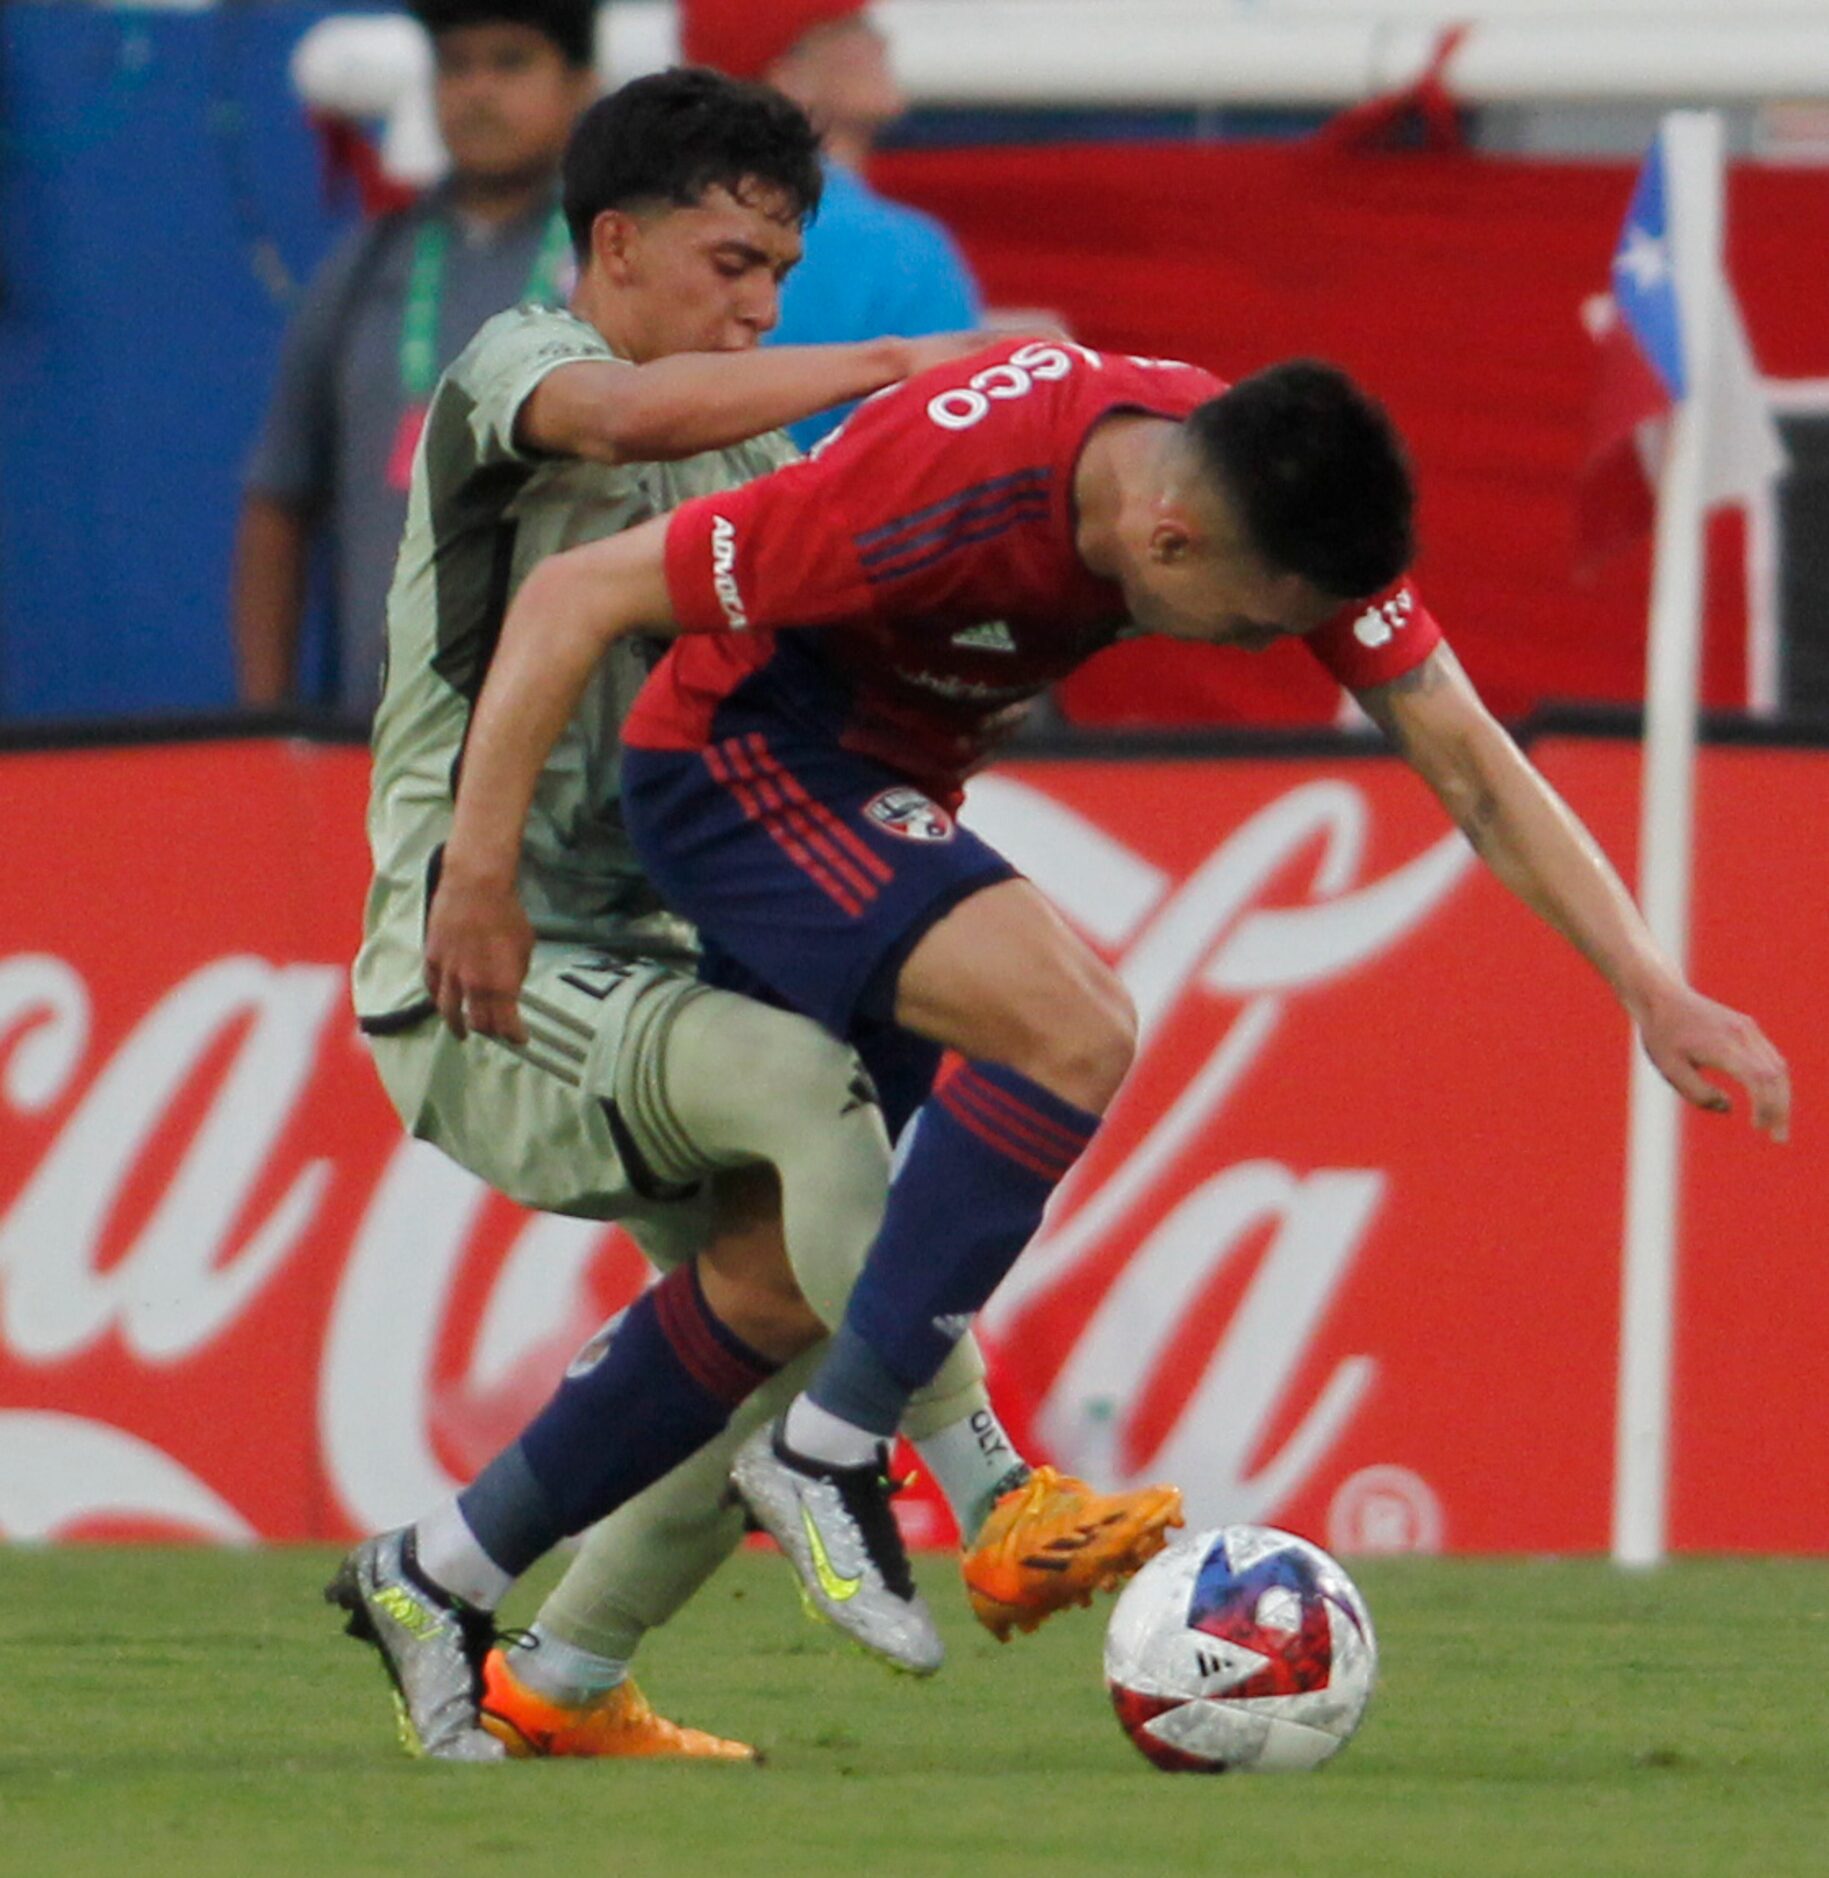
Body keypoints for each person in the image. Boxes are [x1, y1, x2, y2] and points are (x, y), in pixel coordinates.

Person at [425, 337, 1795, 1677]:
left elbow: (1474, 765)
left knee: (771, 1276)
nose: (1271, 648)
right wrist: (477, 879)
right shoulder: (927, 494)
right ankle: (845, 1455)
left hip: (883, 795)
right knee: (1072, 1021)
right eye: (1259, 619)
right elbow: (573, 597)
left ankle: (446, 1578)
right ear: (1169, 538)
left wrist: (1651, 985)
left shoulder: (1250, 479)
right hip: (735, 774)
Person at [329, 73, 1180, 1766]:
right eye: (730, 262)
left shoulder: (750, 453)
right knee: (813, 1095)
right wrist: (898, 367)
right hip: (482, 956)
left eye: (781, 275)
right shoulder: (512, 368)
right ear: (617, 244)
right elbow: (620, 426)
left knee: (779, 1338)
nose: (758, 305)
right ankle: (995, 1483)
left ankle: (527, 1650)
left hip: (661, 957)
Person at [234, 0, 597, 721]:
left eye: (511, 62)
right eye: (455, 66)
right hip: (377, 742)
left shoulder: (615, 263)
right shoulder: (364, 268)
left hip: (573, 750)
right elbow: (279, 501)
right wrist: (264, 722)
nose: (478, 90)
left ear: (582, 86)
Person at [680, 0, 982, 449]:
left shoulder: (656, 230)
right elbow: (954, 455)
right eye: (852, 27)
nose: (882, 40)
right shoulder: (903, 251)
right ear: (790, 79)